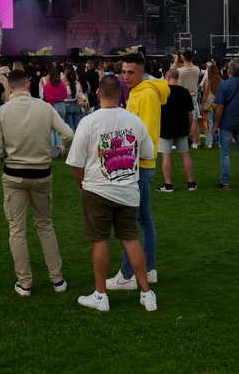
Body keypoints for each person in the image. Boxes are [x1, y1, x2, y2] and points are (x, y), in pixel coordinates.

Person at [67, 75, 158, 312]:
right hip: (128, 190)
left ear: (98, 93)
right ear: (120, 95)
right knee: (130, 238)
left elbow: (76, 163)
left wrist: (81, 184)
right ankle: (147, 294)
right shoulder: (134, 120)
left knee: (100, 241)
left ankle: (100, 296)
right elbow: (148, 153)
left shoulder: (88, 121)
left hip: (97, 189)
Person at [0, 68, 73, 296]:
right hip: (41, 174)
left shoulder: (2, 112)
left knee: (17, 229)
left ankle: (25, 282)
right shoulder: (45, 108)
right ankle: (57, 279)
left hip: (14, 174)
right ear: (28, 85)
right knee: (45, 225)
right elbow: (69, 135)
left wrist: (7, 157)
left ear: (9, 88)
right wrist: (62, 151)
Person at [106, 54, 169, 291]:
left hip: (139, 167)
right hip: (136, 165)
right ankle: (149, 269)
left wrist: (134, 162)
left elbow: (150, 135)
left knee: (128, 224)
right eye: (123, 72)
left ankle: (127, 274)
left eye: (130, 72)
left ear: (142, 71)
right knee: (144, 219)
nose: (125, 76)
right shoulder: (136, 92)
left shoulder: (149, 94)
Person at [213, 60, 239, 189]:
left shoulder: (224, 85)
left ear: (229, 70)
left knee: (225, 153)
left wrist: (215, 125)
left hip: (227, 123)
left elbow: (220, 106)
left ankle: (225, 182)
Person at [155, 68, 195, 192]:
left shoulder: (162, 92)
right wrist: (189, 127)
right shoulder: (185, 92)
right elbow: (190, 113)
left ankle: (168, 184)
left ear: (167, 77)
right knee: (185, 155)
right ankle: (191, 183)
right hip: (181, 127)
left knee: (166, 156)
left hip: (166, 127)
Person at [174, 50, 202, 146]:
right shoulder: (197, 69)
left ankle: (180, 141)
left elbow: (170, 73)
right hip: (193, 95)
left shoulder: (180, 71)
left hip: (181, 95)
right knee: (193, 119)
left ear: (183, 58)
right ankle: (195, 142)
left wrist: (174, 62)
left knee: (179, 118)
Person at [200, 61, 223, 148]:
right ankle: (218, 142)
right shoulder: (221, 81)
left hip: (209, 100)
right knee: (218, 123)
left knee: (208, 122)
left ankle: (208, 143)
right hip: (218, 101)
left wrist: (202, 103)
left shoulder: (207, 80)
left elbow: (205, 93)